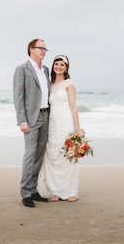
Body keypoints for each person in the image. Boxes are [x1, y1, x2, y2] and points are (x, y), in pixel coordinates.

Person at [37, 55, 83, 202]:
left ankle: (70, 192)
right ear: (53, 66)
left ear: (66, 67)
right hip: (52, 122)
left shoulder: (69, 84)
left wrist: (78, 128)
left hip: (66, 121)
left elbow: (73, 106)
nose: (59, 66)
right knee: (53, 154)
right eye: (56, 64)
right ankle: (56, 191)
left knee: (66, 154)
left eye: (62, 64)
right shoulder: (49, 84)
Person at [13, 39, 51, 208]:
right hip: (30, 118)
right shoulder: (22, 69)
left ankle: (33, 190)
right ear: (31, 49)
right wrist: (22, 120)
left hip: (45, 116)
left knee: (39, 154)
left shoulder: (45, 70)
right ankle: (26, 193)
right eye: (40, 48)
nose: (43, 51)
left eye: (45, 49)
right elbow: (18, 97)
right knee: (30, 154)